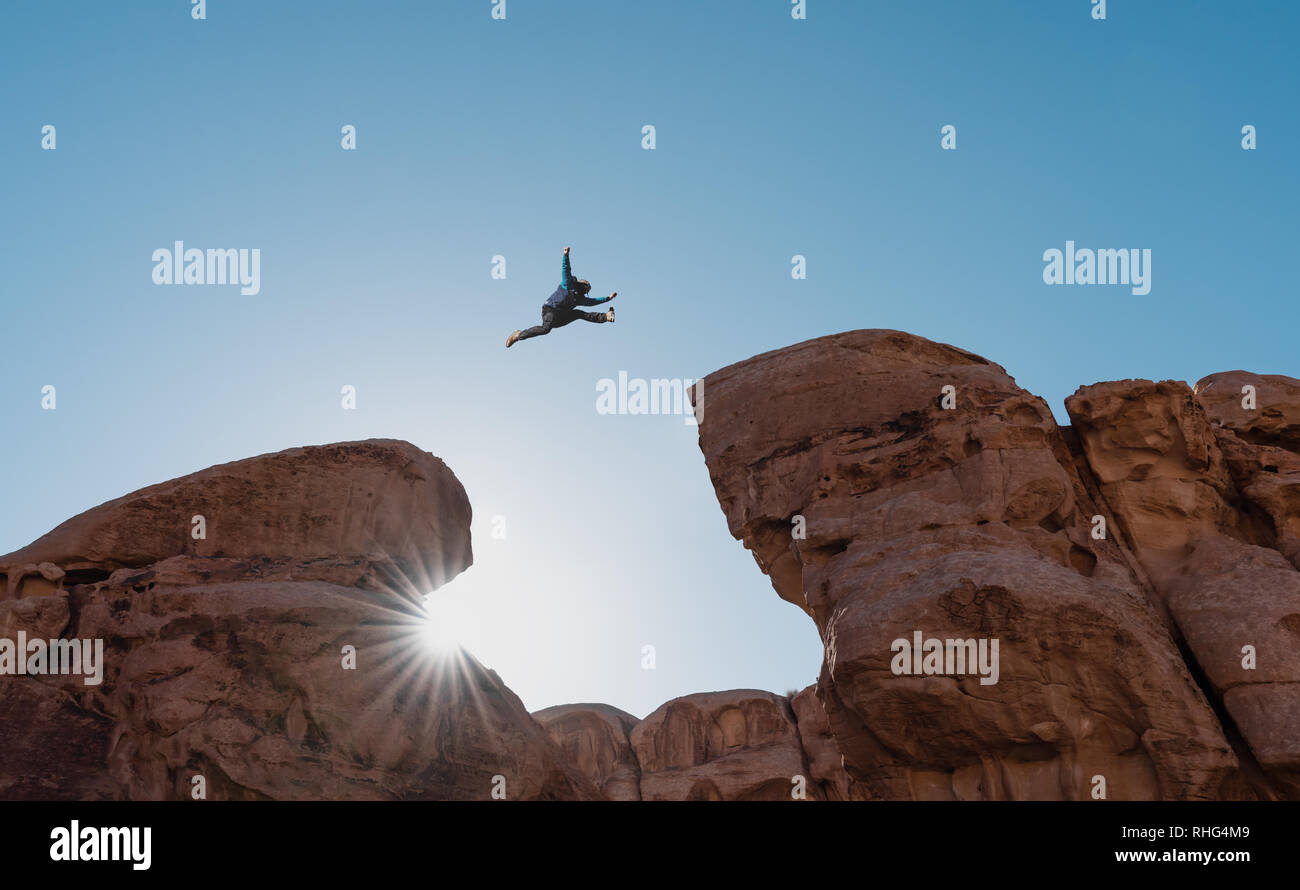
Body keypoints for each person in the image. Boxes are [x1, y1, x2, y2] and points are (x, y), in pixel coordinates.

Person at [506, 247, 617, 347]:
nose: (585, 292)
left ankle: (606, 316)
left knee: (579, 313)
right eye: (586, 289)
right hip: (550, 310)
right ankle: (518, 335)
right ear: (581, 285)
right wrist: (566, 255)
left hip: (560, 318)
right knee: (545, 329)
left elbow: (592, 302)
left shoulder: (579, 298)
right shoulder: (568, 283)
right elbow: (566, 270)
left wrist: (607, 298)